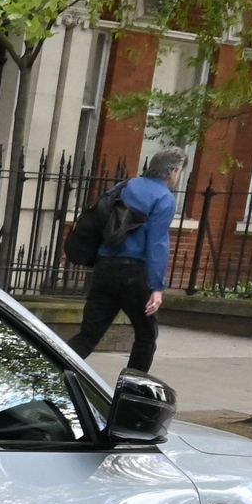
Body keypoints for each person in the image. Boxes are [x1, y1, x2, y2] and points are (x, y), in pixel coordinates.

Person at [71, 146, 184, 377]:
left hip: (104, 270)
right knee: (145, 337)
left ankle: (42, 373)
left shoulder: (124, 186)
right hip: (135, 275)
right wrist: (157, 288)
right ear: (172, 171)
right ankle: (131, 393)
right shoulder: (164, 198)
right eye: (179, 171)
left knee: (87, 336)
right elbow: (157, 244)